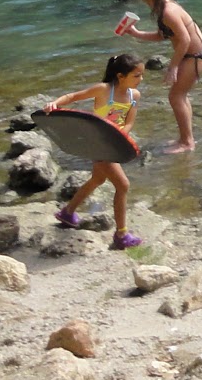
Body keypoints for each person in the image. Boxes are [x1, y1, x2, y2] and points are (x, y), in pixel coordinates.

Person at [47, 53, 146, 249]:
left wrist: (120, 138)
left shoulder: (134, 96)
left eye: (142, 75)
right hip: (98, 144)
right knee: (123, 185)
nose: (140, 79)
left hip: (113, 144)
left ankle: (68, 212)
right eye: (136, 75)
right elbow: (74, 96)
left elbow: (129, 123)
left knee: (98, 180)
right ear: (120, 76)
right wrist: (55, 104)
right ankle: (121, 234)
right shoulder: (103, 90)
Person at [122, 0, 202, 153]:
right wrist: (136, 33)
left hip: (196, 56)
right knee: (180, 96)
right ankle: (186, 138)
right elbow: (165, 35)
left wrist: (173, 67)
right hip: (192, 56)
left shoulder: (168, 11)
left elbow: (184, 40)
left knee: (176, 97)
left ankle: (187, 143)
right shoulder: (165, 6)